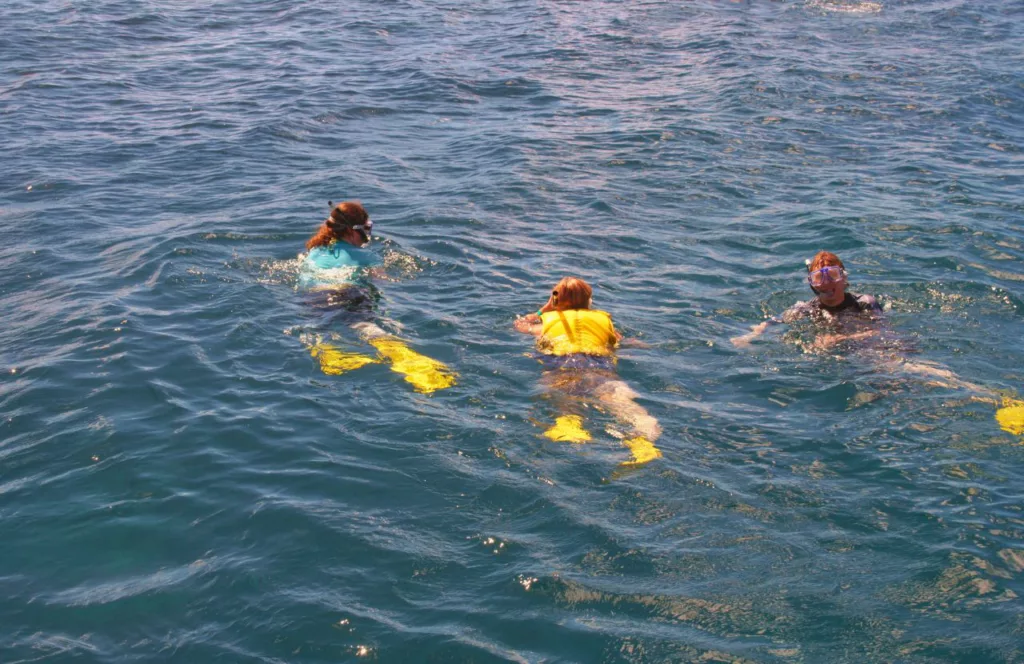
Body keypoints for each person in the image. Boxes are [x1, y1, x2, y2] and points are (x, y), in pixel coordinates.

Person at [296, 201, 456, 394]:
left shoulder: (314, 252)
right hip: (347, 294)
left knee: (321, 329)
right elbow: (383, 283)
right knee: (368, 329)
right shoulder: (368, 257)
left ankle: (328, 352)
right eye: (367, 228)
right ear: (353, 231)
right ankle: (410, 362)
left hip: (314, 300)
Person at [514, 277, 662, 467]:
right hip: (598, 364)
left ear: (555, 302)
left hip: (563, 363)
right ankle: (643, 444)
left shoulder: (547, 322)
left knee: (565, 400)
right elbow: (622, 342)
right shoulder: (603, 321)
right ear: (589, 301)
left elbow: (520, 325)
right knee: (625, 406)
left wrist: (543, 309)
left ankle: (570, 426)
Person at [731, 250, 882, 350]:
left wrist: (839, 339)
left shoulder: (865, 302)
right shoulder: (806, 308)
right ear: (812, 283)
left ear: (844, 278)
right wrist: (750, 336)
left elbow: (881, 333)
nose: (826, 282)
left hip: (868, 347)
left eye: (833, 275)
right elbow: (772, 322)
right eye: (818, 278)